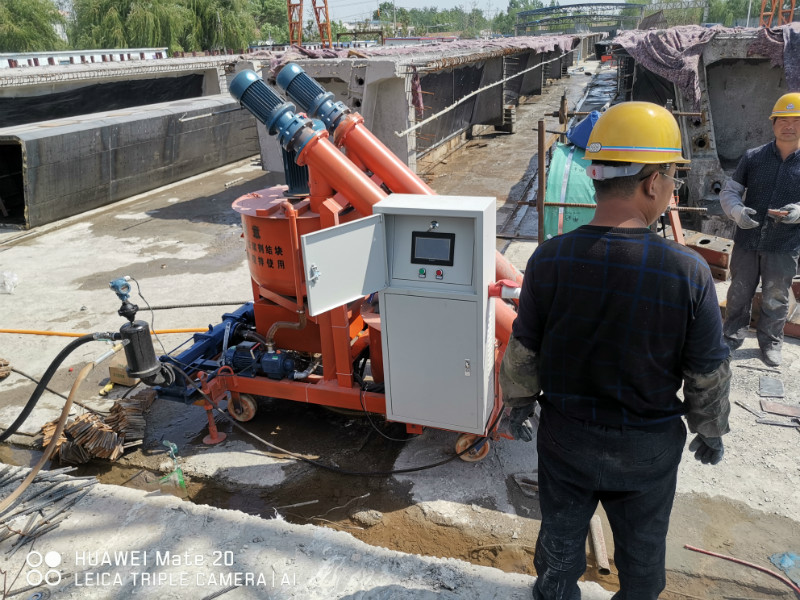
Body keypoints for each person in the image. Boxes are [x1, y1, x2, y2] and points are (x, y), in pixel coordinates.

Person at [500, 101, 731, 600]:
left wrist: (517, 404)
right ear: (652, 183)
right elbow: (707, 371)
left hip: (566, 439)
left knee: (559, 549)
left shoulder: (549, 259)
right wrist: (710, 428)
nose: (671, 188)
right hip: (647, 449)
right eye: (672, 177)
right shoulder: (688, 271)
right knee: (643, 558)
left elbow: (524, 349)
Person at [719, 92, 800, 367]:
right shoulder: (753, 157)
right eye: (783, 120)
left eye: (796, 120)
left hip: (784, 244)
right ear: (773, 123)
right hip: (748, 239)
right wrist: (737, 212)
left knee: (776, 296)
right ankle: (731, 336)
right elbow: (730, 191)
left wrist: (798, 212)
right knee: (739, 292)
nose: (789, 126)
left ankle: (771, 342)